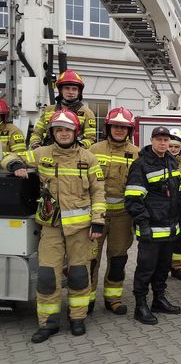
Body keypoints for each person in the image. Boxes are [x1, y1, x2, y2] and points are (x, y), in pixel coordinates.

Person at [1, 109, 106, 342]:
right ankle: (48, 323)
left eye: (67, 129)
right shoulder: (41, 153)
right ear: (52, 132)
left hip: (81, 228)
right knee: (48, 276)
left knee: (79, 274)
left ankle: (77, 318)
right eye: (59, 129)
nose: (63, 133)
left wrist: (98, 220)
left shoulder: (88, 157)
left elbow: (99, 192)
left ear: (75, 132)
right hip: (51, 227)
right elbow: (6, 155)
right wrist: (15, 164)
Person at [125, 126, 181, 325]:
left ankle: (159, 299)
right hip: (151, 228)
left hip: (170, 228)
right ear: (152, 140)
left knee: (163, 268)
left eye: (166, 139)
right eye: (158, 139)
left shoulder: (171, 161)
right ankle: (140, 306)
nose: (162, 143)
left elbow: (177, 194)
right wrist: (143, 224)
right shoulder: (141, 164)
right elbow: (133, 199)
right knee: (145, 269)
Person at [88, 107, 139, 315]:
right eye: (115, 126)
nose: (119, 130)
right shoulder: (93, 150)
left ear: (129, 130)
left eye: (123, 127)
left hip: (123, 217)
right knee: (90, 259)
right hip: (96, 216)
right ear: (108, 127)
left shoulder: (137, 154)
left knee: (118, 258)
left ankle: (113, 299)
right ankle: (87, 298)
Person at [29, 70, 96, 149]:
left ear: (79, 92)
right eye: (67, 88)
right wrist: (36, 145)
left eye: (74, 89)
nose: (70, 92)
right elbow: (37, 133)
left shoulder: (87, 113)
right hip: (48, 153)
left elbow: (90, 139)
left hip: (72, 155)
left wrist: (77, 148)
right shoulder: (48, 110)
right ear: (61, 90)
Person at [168, 128, 181, 281]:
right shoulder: (160, 160)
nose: (173, 149)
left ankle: (177, 267)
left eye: (176, 146)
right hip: (163, 208)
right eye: (171, 146)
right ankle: (163, 265)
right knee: (164, 238)